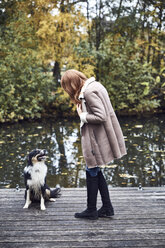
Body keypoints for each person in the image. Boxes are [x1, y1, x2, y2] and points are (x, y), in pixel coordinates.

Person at [61, 69, 127, 220]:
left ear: (72, 84)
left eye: (67, 87)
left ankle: (92, 209)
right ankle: (107, 207)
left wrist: (82, 116)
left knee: (91, 168)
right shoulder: (95, 85)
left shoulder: (89, 92)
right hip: (100, 136)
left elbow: (101, 116)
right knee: (94, 169)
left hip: (95, 139)